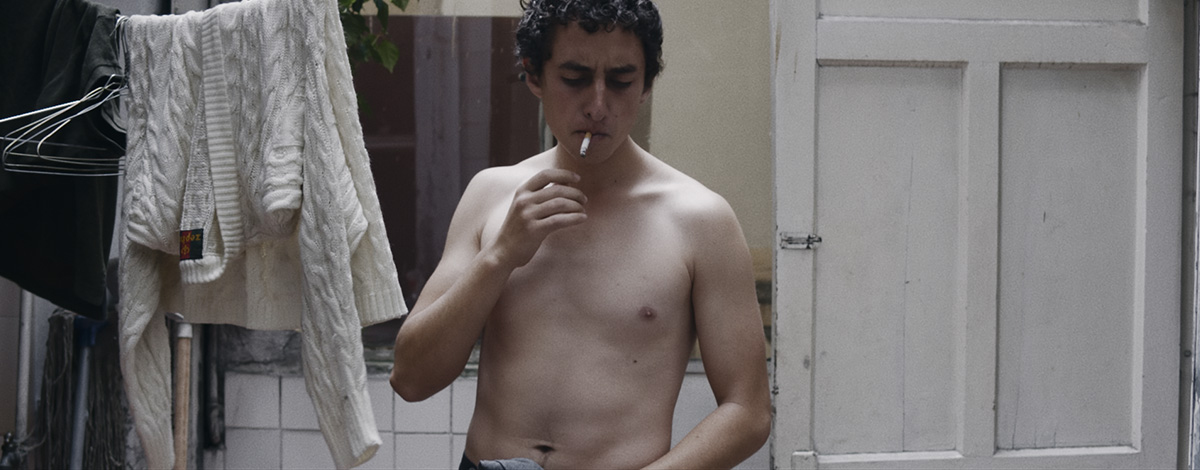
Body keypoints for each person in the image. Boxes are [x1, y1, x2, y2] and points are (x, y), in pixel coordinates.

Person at [389, 0, 771, 468]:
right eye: (574, 78)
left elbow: (748, 411)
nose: (597, 106)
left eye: (621, 81)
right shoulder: (491, 195)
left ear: (647, 83)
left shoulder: (700, 219)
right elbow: (411, 379)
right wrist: (500, 256)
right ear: (534, 76)